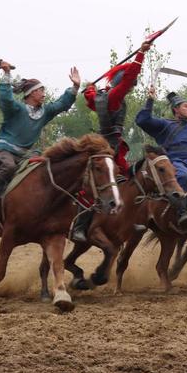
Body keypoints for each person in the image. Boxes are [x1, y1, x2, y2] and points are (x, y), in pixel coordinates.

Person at [0, 61, 81, 213]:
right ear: (31, 93)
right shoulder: (16, 108)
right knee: (8, 167)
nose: (44, 94)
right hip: (4, 151)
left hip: (26, 154)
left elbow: (61, 104)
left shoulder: (45, 112)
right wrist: (7, 74)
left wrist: (75, 87)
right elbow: (5, 99)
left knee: (48, 167)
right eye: (40, 90)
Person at [70, 41, 152, 243]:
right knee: (99, 185)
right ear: (121, 82)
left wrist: (90, 88)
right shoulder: (114, 96)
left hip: (108, 146)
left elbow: (90, 97)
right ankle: (80, 226)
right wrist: (140, 53)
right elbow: (130, 75)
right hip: (110, 148)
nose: (131, 88)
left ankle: (127, 218)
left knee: (125, 182)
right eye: (130, 85)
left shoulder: (100, 97)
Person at [135, 79, 187, 231]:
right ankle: (182, 212)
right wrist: (150, 100)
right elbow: (142, 120)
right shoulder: (165, 124)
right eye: (186, 106)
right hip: (174, 163)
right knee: (183, 176)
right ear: (176, 109)